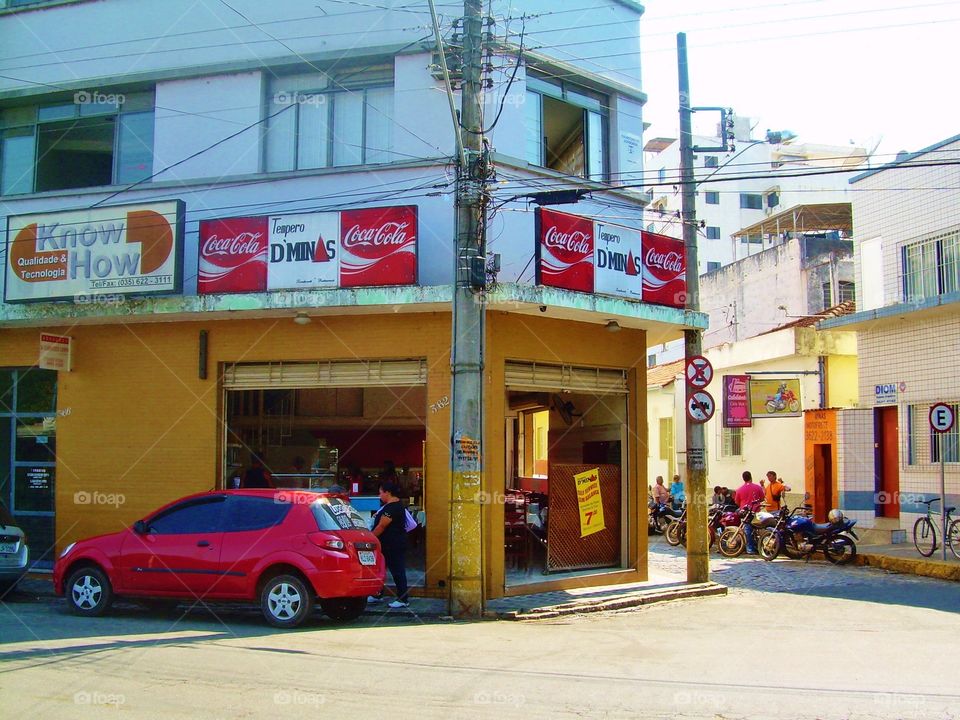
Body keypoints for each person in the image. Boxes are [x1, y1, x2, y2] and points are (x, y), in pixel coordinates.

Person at [369, 481, 409, 609]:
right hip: (386, 544)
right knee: (380, 570)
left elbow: (382, 526)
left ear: (387, 492)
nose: (379, 495)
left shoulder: (392, 507)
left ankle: (403, 598)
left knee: (397, 571)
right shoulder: (391, 505)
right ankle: (377, 593)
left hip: (393, 544)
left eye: (380, 492)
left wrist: (370, 538)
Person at [734, 471, 765, 553]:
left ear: (743, 478)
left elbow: (737, 502)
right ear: (751, 477)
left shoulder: (739, 489)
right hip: (756, 511)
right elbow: (762, 498)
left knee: (747, 529)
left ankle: (750, 548)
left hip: (745, 512)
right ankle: (759, 546)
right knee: (758, 529)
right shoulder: (758, 487)